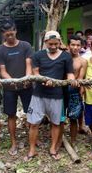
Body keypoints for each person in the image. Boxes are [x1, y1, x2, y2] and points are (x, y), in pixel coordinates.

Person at [25, 30, 77, 161]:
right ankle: (32, 150)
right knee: (33, 123)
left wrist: (72, 80)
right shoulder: (38, 55)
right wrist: (43, 79)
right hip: (39, 95)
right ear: (45, 42)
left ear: (60, 42)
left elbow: (69, 73)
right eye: (50, 44)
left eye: (56, 44)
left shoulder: (66, 56)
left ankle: (53, 148)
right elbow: (35, 73)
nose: (53, 46)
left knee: (56, 123)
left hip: (57, 95)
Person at [0, 20, 33, 156]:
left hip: (27, 85)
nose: (10, 37)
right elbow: (2, 70)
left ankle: (33, 140)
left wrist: (27, 78)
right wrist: (13, 81)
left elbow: (29, 64)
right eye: (7, 35)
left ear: (15, 31)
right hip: (9, 87)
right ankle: (13, 142)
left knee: (31, 112)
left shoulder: (25, 45)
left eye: (12, 33)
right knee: (11, 115)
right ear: (3, 34)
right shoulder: (0, 50)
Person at [66, 35, 88, 144]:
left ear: (81, 46)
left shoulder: (83, 61)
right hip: (60, 91)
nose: (75, 47)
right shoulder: (63, 57)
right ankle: (58, 139)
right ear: (68, 46)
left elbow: (80, 78)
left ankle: (73, 141)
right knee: (59, 117)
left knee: (73, 117)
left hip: (74, 91)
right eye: (73, 45)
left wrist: (81, 89)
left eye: (78, 45)